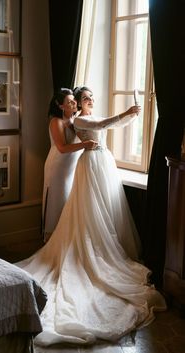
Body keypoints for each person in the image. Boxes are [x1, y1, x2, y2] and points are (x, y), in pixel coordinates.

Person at [16, 86, 166, 347]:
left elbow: (104, 124)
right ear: (62, 104)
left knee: (81, 209)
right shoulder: (63, 120)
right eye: (76, 100)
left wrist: (131, 115)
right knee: (62, 208)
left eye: (81, 100)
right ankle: (57, 244)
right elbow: (66, 145)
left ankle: (77, 243)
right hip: (62, 166)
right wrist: (95, 136)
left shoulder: (74, 119)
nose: (79, 103)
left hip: (83, 164)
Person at [42, 88, 97, 241]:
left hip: (72, 167)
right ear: (61, 106)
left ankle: (66, 239)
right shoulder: (56, 121)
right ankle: (53, 240)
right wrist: (85, 144)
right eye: (70, 102)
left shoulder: (75, 119)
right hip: (58, 167)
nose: (74, 103)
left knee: (69, 202)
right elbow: (62, 148)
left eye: (74, 100)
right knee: (57, 201)